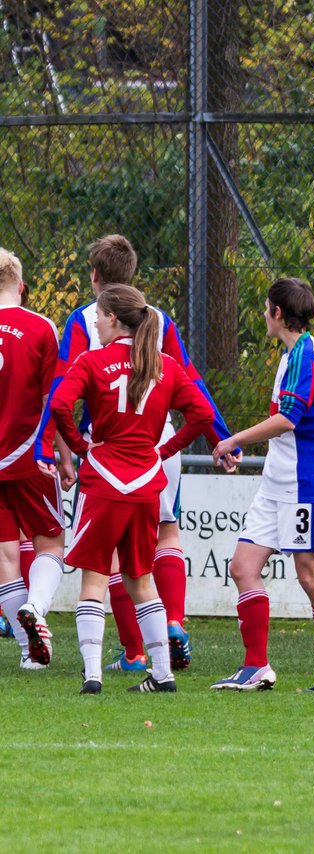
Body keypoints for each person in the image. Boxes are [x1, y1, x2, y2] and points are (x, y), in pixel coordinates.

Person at [36, 234, 238, 674]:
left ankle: (134, 652)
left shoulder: (83, 320)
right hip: (157, 442)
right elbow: (193, 384)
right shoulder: (157, 319)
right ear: (132, 276)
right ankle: (173, 621)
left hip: (108, 451)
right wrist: (223, 438)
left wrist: (59, 447)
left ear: (94, 276)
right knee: (167, 533)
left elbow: (61, 389)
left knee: (107, 554)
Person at [210, 277, 314, 692]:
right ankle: (256, 666)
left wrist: (234, 439)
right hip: (276, 484)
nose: (264, 315)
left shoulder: (306, 356)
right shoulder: (298, 354)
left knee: (310, 577)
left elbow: (289, 419)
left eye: (265, 309)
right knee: (243, 567)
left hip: (306, 485)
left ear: (278, 313)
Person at [0, 247, 67, 671]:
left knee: (5, 556)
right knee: (50, 543)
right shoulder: (41, 327)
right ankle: (37, 610)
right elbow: (54, 400)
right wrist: (63, 455)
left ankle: (30, 654)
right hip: (29, 456)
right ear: (22, 286)